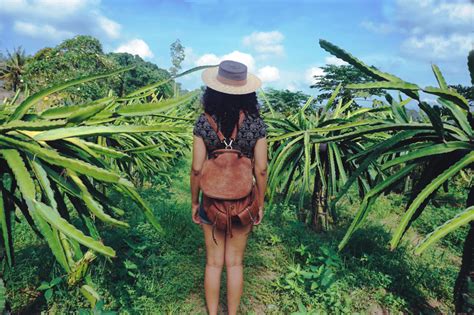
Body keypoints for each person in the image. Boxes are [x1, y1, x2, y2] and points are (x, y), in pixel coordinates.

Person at [190, 60, 268, 315]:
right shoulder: (257, 123)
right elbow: (262, 169)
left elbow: (197, 169)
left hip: (211, 202)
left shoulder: (204, 122)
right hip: (243, 202)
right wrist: (261, 203)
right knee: (235, 264)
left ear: (212, 90)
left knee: (213, 263)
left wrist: (194, 201)